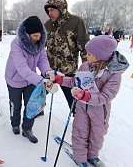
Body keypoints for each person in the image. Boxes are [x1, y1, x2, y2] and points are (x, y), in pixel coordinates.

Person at [53, 35, 129, 167]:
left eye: (89, 54)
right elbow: (74, 81)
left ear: (100, 56)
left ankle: (93, 155)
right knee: (80, 131)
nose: (86, 56)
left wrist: (86, 96)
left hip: (100, 111)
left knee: (97, 135)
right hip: (82, 107)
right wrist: (60, 79)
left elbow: (106, 96)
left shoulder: (113, 74)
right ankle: (80, 157)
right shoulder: (85, 66)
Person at [5, 16, 57, 143]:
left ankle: (27, 128)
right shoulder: (16, 44)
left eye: (39, 35)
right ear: (27, 34)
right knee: (15, 105)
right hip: (15, 80)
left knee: (32, 105)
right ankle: (15, 123)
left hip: (31, 81)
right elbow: (22, 68)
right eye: (34, 35)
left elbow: (42, 61)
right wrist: (41, 80)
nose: (37, 38)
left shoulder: (40, 43)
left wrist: (47, 71)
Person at [44, 0, 89, 111]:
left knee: (73, 100)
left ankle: (78, 118)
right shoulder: (48, 25)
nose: (50, 13)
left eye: (52, 10)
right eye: (48, 10)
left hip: (67, 73)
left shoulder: (76, 22)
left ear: (61, 8)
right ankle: (37, 110)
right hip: (50, 70)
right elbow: (39, 45)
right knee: (39, 93)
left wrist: (87, 70)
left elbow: (84, 48)